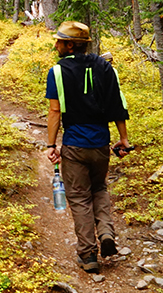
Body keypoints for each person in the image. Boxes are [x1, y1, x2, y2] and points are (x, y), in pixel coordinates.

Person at [44, 21, 131, 273]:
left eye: (59, 41)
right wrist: (123, 139)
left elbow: (54, 112)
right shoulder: (105, 67)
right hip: (101, 145)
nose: (56, 44)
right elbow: (117, 105)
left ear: (70, 45)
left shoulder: (57, 72)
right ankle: (105, 232)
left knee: (80, 198)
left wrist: (51, 144)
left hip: (74, 146)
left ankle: (88, 254)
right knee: (99, 188)